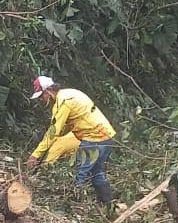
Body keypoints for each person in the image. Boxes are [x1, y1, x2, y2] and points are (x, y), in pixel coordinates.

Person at [24, 76, 117, 205]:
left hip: (93, 138)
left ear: (48, 91)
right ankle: (109, 205)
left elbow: (53, 132)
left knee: (80, 175)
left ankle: (73, 207)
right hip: (107, 135)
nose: (41, 100)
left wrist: (35, 155)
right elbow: (63, 128)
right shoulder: (69, 93)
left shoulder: (63, 102)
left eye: (41, 96)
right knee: (97, 173)